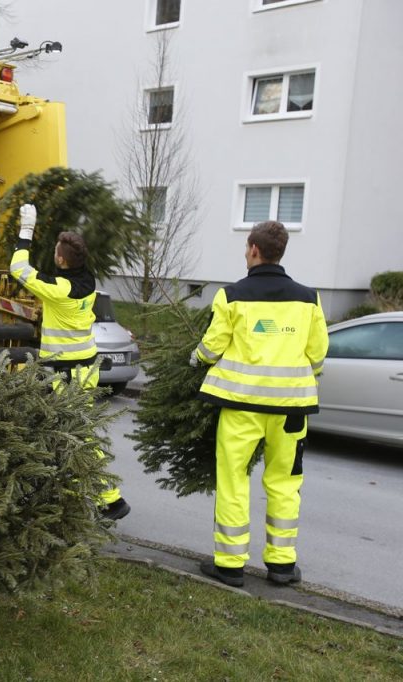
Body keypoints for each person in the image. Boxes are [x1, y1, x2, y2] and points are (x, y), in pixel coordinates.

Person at [193, 220, 328, 587]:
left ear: (254, 249)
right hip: (292, 410)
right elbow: (317, 354)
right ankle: (282, 565)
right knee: (285, 482)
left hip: (242, 408)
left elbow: (213, 345)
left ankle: (230, 564)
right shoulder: (309, 298)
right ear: (280, 251)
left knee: (234, 479)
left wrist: (197, 359)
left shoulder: (231, 296)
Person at [8, 204, 130, 521]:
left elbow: (19, 269)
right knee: (69, 435)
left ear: (61, 260)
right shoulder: (88, 282)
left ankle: (111, 500)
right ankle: (72, 499)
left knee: (77, 437)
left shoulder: (59, 290)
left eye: (56, 254)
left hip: (65, 374)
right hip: (85, 368)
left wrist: (26, 231)